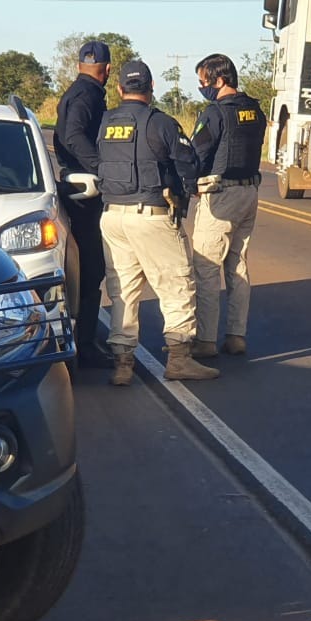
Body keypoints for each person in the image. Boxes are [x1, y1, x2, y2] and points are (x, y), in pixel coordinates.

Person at [95, 60, 219, 386]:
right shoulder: (159, 122)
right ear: (151, 89)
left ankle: (122, 365)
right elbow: (188, 161)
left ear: (120, 89)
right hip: (150, 215)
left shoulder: (106, 122)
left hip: (112, 218)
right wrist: (186, 189)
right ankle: (179, 359)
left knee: (123, 292)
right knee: (176, 285)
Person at [188, 53, 267, 359]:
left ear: (219, 81)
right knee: (238, 264)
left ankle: (205, 341)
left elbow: (198, 153)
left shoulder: (215, 113)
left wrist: (189, 183)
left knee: (206, 268)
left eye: (203, 81)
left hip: (220, 195)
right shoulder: (254, 110)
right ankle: (236, 336)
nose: (202, 87)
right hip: (249, 192)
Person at [54, 40, 113, 368]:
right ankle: (85, 346)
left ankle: (83, 341)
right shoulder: (87, 95)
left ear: (79, 65)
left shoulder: (76, 92)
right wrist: (100, 168)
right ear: (106, 70)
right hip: (84, 190)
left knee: (88, 268)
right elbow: (74, 136)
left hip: (76, 183)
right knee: (92, 270)